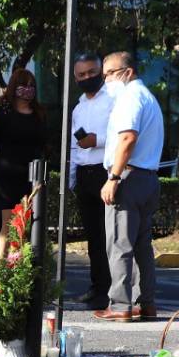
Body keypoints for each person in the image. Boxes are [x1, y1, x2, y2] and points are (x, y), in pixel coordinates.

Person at [94, 51, 164, 323]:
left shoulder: (130, 98)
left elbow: (127, 138)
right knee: (142, 246)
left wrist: (113, 177)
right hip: (148, 178)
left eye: (109, 74)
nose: (106, 81)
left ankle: (121, 304)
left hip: (129, 178)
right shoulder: (148, 97)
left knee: (120, 243)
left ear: (128, 72)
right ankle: (145, 303)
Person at [0, 67, 48, 263]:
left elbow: (44, 143)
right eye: (23, 85)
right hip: (7, 179)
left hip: (32, 177)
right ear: (13, 87)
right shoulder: (3, 112)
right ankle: (0, 276)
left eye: (31, 86)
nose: (27, 90)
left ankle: (23, 273)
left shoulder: (39, 113)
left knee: (28, 227)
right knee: (8, 227)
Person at [66, 53, 114, 307]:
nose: (87, 78)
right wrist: (72, 177)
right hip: (85, 174)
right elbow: (75, 146)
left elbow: (123, 134)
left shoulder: (113, 99)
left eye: (92, 72)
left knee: (111, 236)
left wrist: (98, 140)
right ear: (75, 78)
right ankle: (97, 287)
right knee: (94, 237)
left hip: (107, 171)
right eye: (82, 75)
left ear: (101, 71)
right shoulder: (78, 107)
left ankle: (114, 291)